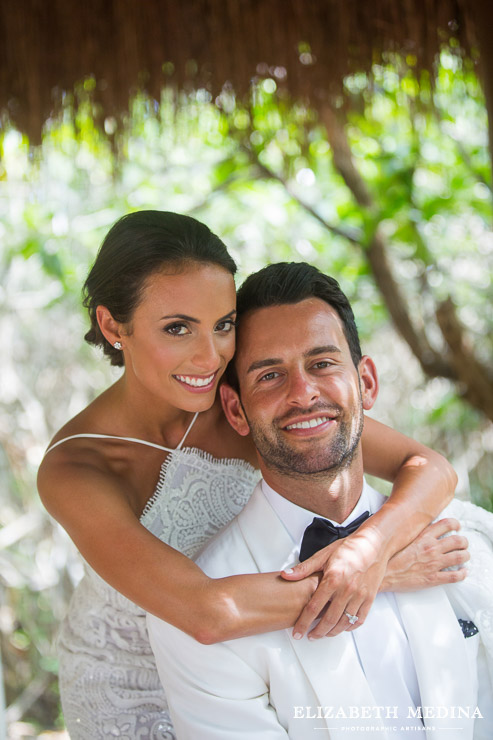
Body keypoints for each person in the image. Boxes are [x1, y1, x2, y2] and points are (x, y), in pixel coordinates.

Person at [38, 212, 463, 740]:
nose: (210, 355)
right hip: (135, 692)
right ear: (111, 326)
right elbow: (207, 612)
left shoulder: (246, 402)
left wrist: (371, 549)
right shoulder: (77, 467)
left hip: (257, 658)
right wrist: (382, 575)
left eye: (223, 324)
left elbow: (430, 469)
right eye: (177, 328)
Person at [147, 262, 493, 740]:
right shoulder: (195, 624)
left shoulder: (462, 540)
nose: (302, 393)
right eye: (269, 375)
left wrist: (372, 551)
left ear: (366, 383)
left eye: (322, 363)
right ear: (235, 409)